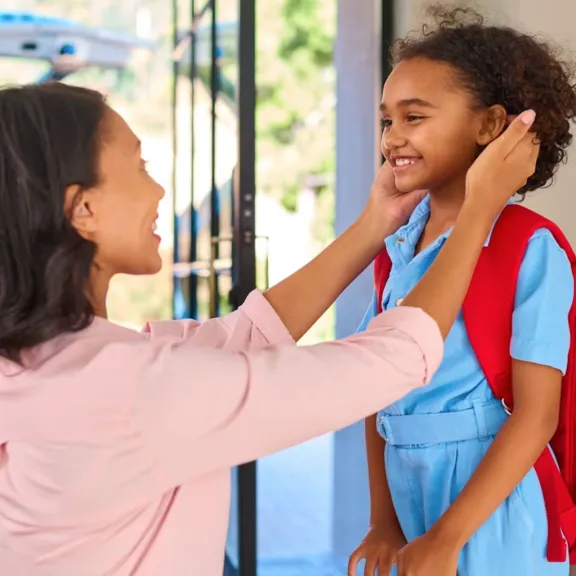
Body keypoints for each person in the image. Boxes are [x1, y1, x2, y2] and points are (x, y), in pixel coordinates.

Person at [0, 80, 537, 576]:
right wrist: (478, 210)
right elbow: (395, 357)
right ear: (83, 208)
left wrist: (378, 221)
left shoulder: (53, 364)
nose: (160, 190)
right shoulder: (130, 391)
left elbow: (244, 336)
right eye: (140, 167)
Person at [349, 5, 576, 576]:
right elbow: (375, 394)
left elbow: (536, 415)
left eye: (414, 117)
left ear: (488, 126)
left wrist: (449, 537)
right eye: (386, 121)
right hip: (408, 494)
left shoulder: (530, 246)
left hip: (490, 505)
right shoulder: (397, 247)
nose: (392, 138)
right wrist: (384, 522)